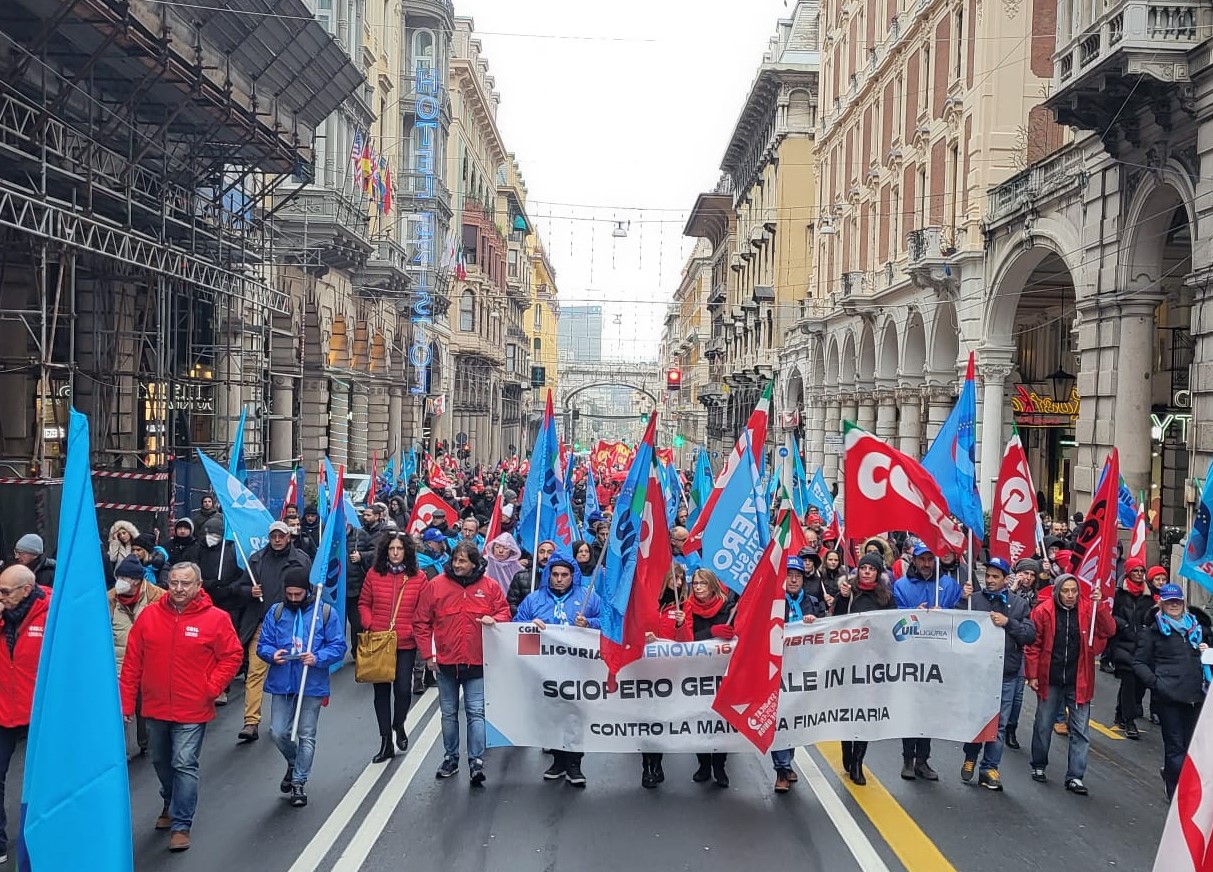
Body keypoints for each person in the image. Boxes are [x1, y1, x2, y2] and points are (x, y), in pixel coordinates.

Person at [120, 562, 243, 852]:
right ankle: (170, 799)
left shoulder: (216, 619)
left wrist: (211, 688)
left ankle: (181, 824)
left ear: (198, 585)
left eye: (185, 583)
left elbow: (232, 656)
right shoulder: (149, 617)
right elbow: (132, 664)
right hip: (155, 706)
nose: (178, 588)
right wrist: (126, 705)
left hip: (193, 709)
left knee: (184, 762)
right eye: (174, 582)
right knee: (161, 761)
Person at [414, 540, 511, 786]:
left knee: (476, 712)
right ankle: (451, 757)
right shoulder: (435, 586)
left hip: (478, 662)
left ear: (474, 563)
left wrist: (494, 618)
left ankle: (476, 761)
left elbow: (505, 612)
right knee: (448, 714)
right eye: (455, 559)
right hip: (445, 662)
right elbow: (422, 622)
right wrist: (428, 655)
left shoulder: (490, 587)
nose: (457, 564)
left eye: (463, 561)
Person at [256, 565, 347, 807]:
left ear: (307, 591)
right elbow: (263, 644)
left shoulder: (325, 612)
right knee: (277, 732)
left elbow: (338, 646)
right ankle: (295, 761)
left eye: (298, 594)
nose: (294, 599)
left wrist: (318, 657)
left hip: (312, 682)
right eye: (290, 594)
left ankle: (299, 781)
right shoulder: (275, 612)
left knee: (307, 734)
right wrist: (272, 654)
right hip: (282, 682)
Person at [515, 552, 602, 787]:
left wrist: (590, 624)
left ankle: (574, 763)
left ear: (573, 576)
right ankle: (557, 760)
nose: (560, 579)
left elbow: (607, 623)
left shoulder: (588, 598)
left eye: (564, 575)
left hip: (578, 669)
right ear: (548, 575)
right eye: (555, 575)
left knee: (574, 717)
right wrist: (527, 626)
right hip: (545, 671)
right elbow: (515, 625)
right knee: (551, 716)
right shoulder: (534, 600)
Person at [1024, 573, 1115, 795]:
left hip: (1079, 680)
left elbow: (1109, 630)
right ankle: (1039, 764)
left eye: (1074, 590)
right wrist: (1033, 674)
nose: (1070, 595)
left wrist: (1099, 605)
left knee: (1080, 730)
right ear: (1057, 591)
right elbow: (1033, 645)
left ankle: (1075, 775)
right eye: (1066, 591)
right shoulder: (1043, 611)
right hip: (1051, 679)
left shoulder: (1088, 609)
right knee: (1044, 724)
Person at [958, 558, 1036, 791]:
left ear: (1005, 579)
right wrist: (963, 600)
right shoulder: (975, 600)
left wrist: (1008, 622)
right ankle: (971, 756)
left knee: (999, 723)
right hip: (979, 672)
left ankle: (989, 767)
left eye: (995, 577)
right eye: (988, 576)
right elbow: (958, 624)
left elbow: (1029, 635)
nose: (990, 580)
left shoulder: (1018, 604)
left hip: (1007, 673)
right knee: (977, 719)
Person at [234, 521, 313, 743]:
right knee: (255, 673)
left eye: (281, 536)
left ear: (289, 537)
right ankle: (251, 721)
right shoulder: (257, 560)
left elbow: (312, 590)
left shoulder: (300, 560)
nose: (277, 540)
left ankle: (286, 718)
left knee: (291, 672)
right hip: (261, 625)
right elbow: (238, 588)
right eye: (273, 536)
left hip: (291, 625)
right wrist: (249, 590)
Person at [1133, 584, 1211, 801]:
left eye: (1177, 601)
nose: (1174, 605)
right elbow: (1139, 663)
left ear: (1183, 602)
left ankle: (1177, 778)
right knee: (1175, 746)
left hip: (1196, 696)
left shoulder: (1198, 630)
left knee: (1192, 747)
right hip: (1169, 698)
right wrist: (1157, 683)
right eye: (1169, 602)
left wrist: (1207, 652)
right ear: (1162, 604)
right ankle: (1176, 792)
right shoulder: (1153, 632)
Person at [659, 568, 735, 788]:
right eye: (696, 583)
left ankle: (719, 765)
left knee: (720, 721)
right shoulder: (688, 606)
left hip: (720, 672)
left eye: (703, 583)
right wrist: (713, 632)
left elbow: (737, 633)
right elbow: (689, 639)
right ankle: (703, 764)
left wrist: (730, 632)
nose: (699, 587)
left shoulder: (728, 607)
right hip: (696, 672)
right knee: (699, 718)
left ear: (712, 585)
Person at [892, 543, 962, 781]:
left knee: (929, 711)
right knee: (910, 709)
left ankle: (923, 760)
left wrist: (945, 612)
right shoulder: (901, 585)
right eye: (922, 559)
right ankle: (907, 759)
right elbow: (895, 619)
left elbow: (958, 615)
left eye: (930, 559)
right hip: (910, 658)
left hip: (937, 658)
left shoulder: (949, 585)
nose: (926, 564)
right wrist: (915, 613)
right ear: (914, 561)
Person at [359, 532, 427, 763]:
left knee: (403, 690)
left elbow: (423, 610)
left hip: (405, 642)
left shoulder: (418, 577)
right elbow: (364, 603)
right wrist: (369, 623)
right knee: (381, 693)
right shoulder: (374, 574)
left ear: (407, 551)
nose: (395, 553)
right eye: (391, 549)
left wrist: (411, 629)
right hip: (379, 641)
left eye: (399, 549)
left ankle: (399, 724)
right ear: (385, 551)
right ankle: (386, 740)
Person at [832, 553, 895, 784]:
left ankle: (858, 761)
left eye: (871, 568)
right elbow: (835, 623)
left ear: (878, 573)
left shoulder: (885, 597)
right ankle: (847, 751)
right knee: (848, 713)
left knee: (865, 715)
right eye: (863, 568)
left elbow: (891, 629)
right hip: (847, 663)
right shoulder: (849, 594)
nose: (867, 572)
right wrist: (842, 598)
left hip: (871, 665)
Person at [0, 565, 48, 864]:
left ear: (26, 590)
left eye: (5, 592)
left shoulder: (52, 614)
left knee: (42, 778)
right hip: (3, 707)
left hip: (39, 712)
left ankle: (43, 837)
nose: (1, 597)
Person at [772, 557, 824, 793]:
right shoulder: (772, 604)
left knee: (794, 720)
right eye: (789, 575)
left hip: (803, 670)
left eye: (798, 576)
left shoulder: (812, 602)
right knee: (779, 719)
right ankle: (781, 769)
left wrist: (813, 624)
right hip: (777, 669)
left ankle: (788, 760)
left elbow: (828, 631)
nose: (793, 580)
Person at [110, 554, 166, 760]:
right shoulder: (109, 599)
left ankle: (146, 743)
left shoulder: (158, 597)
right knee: (119, 711)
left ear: (136, 580)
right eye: (119, 577)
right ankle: (118, 752)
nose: (120, 581)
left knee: (145, 708)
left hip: (148, 664)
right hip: (118, 665)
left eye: (125, 577)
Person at [641, 563, 689, 789]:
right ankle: (646, 766)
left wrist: (681, 624)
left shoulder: (683, 607)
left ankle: (657, 762)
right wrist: (644, 636)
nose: (678, 583)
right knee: (645, 720)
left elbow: (688, 643)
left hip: (669, 674)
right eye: (675, 578)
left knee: (660, 720)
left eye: (681, 579)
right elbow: (633, 629)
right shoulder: (648, 603)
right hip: (644, 672)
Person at [1110, 558, 1154, 738]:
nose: (1138, 574)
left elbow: (1152, 616)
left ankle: (1121, 713)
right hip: (1123, 643)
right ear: (1128, 572)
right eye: (1135, 571)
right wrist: (1124, 626)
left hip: (1142, 645)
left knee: (1138, 683)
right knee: (1129, 681)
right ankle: (1129, 721)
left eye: (1141, 571)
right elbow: (1111, 614)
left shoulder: (1149, 595)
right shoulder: (1119, 594)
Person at [347, 503, 387, 644]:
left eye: (368, 515)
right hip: (343, 586)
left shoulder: (381, 532)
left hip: (360, 583)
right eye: (364, 515)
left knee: (358, 622)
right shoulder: (361, 531)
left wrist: (361, 556)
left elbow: (378, 553)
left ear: (377, 516)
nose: (365, 517)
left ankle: (358, 650)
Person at [508, 539, 554, 615]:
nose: (545, 556)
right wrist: (525, 617)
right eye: (541, 552)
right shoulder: (521, 576)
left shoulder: (560, 577)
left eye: (550, 553)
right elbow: (512, 604)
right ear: (536, 554)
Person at [483, 533, 525, 597]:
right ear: (492, 547)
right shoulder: (484, 562)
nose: (500, 551)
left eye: (505, 548)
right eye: (497, 547)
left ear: (512, 550)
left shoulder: (517, 567)